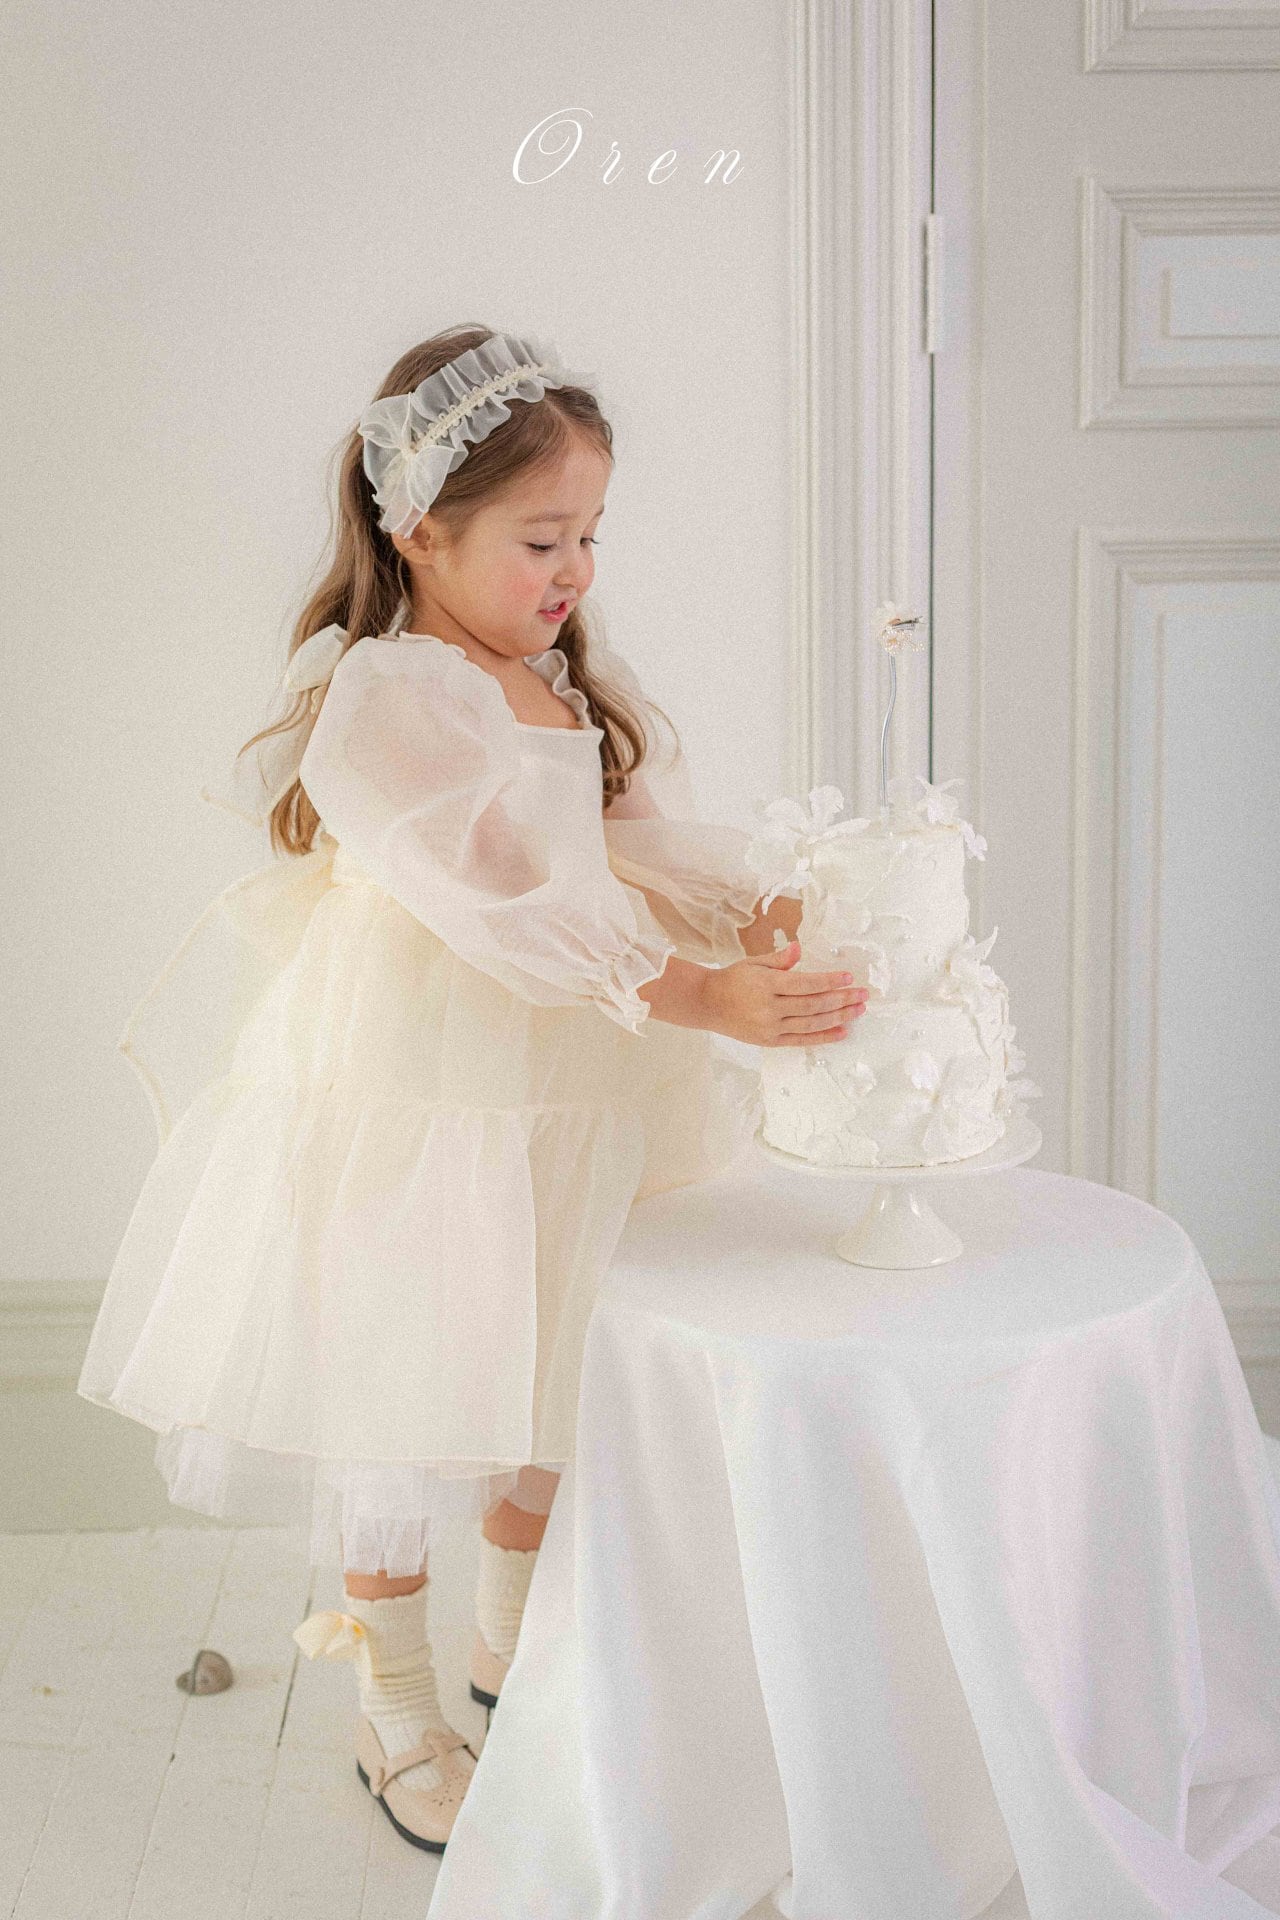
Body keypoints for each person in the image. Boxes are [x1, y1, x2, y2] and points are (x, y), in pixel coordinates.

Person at [76, 326, 868, 1852]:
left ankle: (517, 1654)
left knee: (554, 1359)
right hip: (429, 1082)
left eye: (591, 536)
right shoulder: (398, 695)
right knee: (412, 1378)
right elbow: (501, 898)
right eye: (540, 538)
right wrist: (698, 994)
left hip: (572, 1079)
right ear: (420, 533)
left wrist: (751, 916)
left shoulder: (563, 683)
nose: (574, 571)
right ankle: (395, 1709)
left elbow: (636, 855)